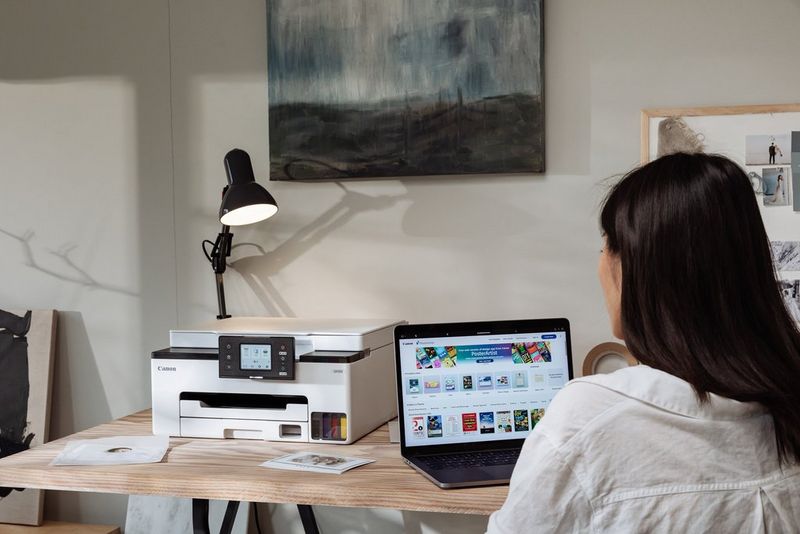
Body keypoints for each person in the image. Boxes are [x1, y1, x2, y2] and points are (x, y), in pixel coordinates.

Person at [487, 153, 800, 533]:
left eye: (606, 246)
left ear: (636, 268)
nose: (600, 262)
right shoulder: (787, 395)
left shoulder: (588, 418)